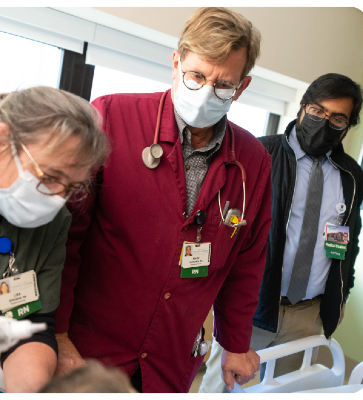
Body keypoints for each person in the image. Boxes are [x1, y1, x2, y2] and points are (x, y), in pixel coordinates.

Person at [55, 7, 272, 393]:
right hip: (90, 351)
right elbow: (65, 239)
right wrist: (57, 334)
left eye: (224, 85)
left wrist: (236, 343)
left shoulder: (252, 161)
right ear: (176, 63)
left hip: (170, 358)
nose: (207, 92)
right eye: (197, 76)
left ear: (242, 87)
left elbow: (246, 262)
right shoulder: (111, 116)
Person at [198, 73, 363, 392]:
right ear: (303, 108)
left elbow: (346, 240)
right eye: (317, 111)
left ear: (348, 125)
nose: (324, 121)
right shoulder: (260, 155)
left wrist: (340, 295)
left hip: (308, 313)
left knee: (291, 390)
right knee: (223, 388)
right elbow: (225, 228)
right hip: (252, 303)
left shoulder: (351, 176)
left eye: (337, 118)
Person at [0, 87, 108, 392]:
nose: (57, 198)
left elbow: (34, 322)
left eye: (71, 186)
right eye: (48, 177)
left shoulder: (54, 222)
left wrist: (32, 389)